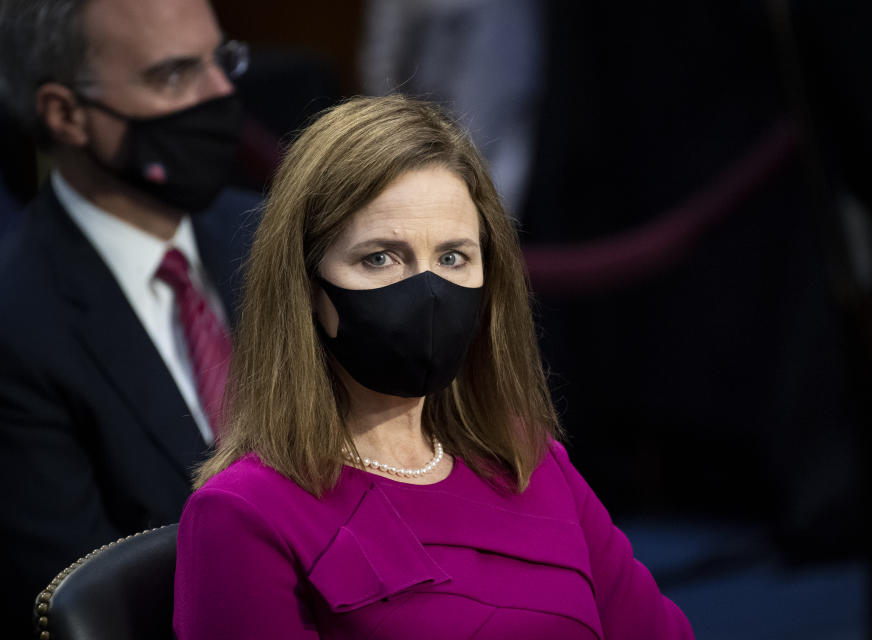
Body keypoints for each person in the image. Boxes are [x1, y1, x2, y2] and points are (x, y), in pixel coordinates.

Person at [173, 95, 694, 639]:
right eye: (380, 257)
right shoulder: (245, 514)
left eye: (453, 258)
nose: (429, 291)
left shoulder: (531, 461)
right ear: (306, 288)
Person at [0, 0, 259, 633]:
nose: (220, 93)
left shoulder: (275, 234)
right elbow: (89, 601)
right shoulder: (15, 320)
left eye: (221, 60)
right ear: (65, 114)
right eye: (173, 76)